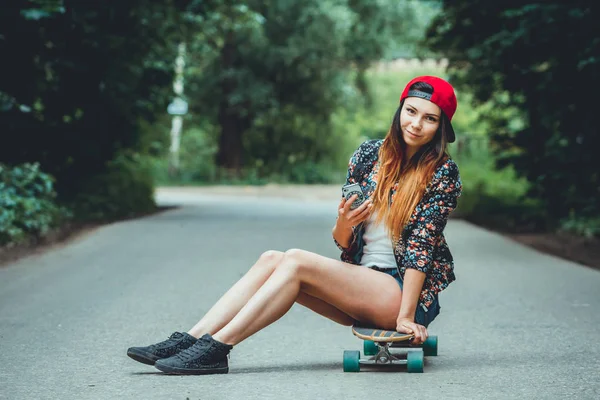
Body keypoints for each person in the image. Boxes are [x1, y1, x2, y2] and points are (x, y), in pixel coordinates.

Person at [127, 75, 462, 375]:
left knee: (297, 260)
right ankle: (191, 339)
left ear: (441, 129)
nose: (416, 124)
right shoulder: (368, 156)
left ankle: (218, 348)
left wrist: (406, 317)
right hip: (361, 283)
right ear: (400, 110)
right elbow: (344, 242)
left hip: (401, 293)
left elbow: (422, 247)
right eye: (411, 111)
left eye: (429, 118)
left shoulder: (442, 173)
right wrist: (344, 221)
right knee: (273, 258)